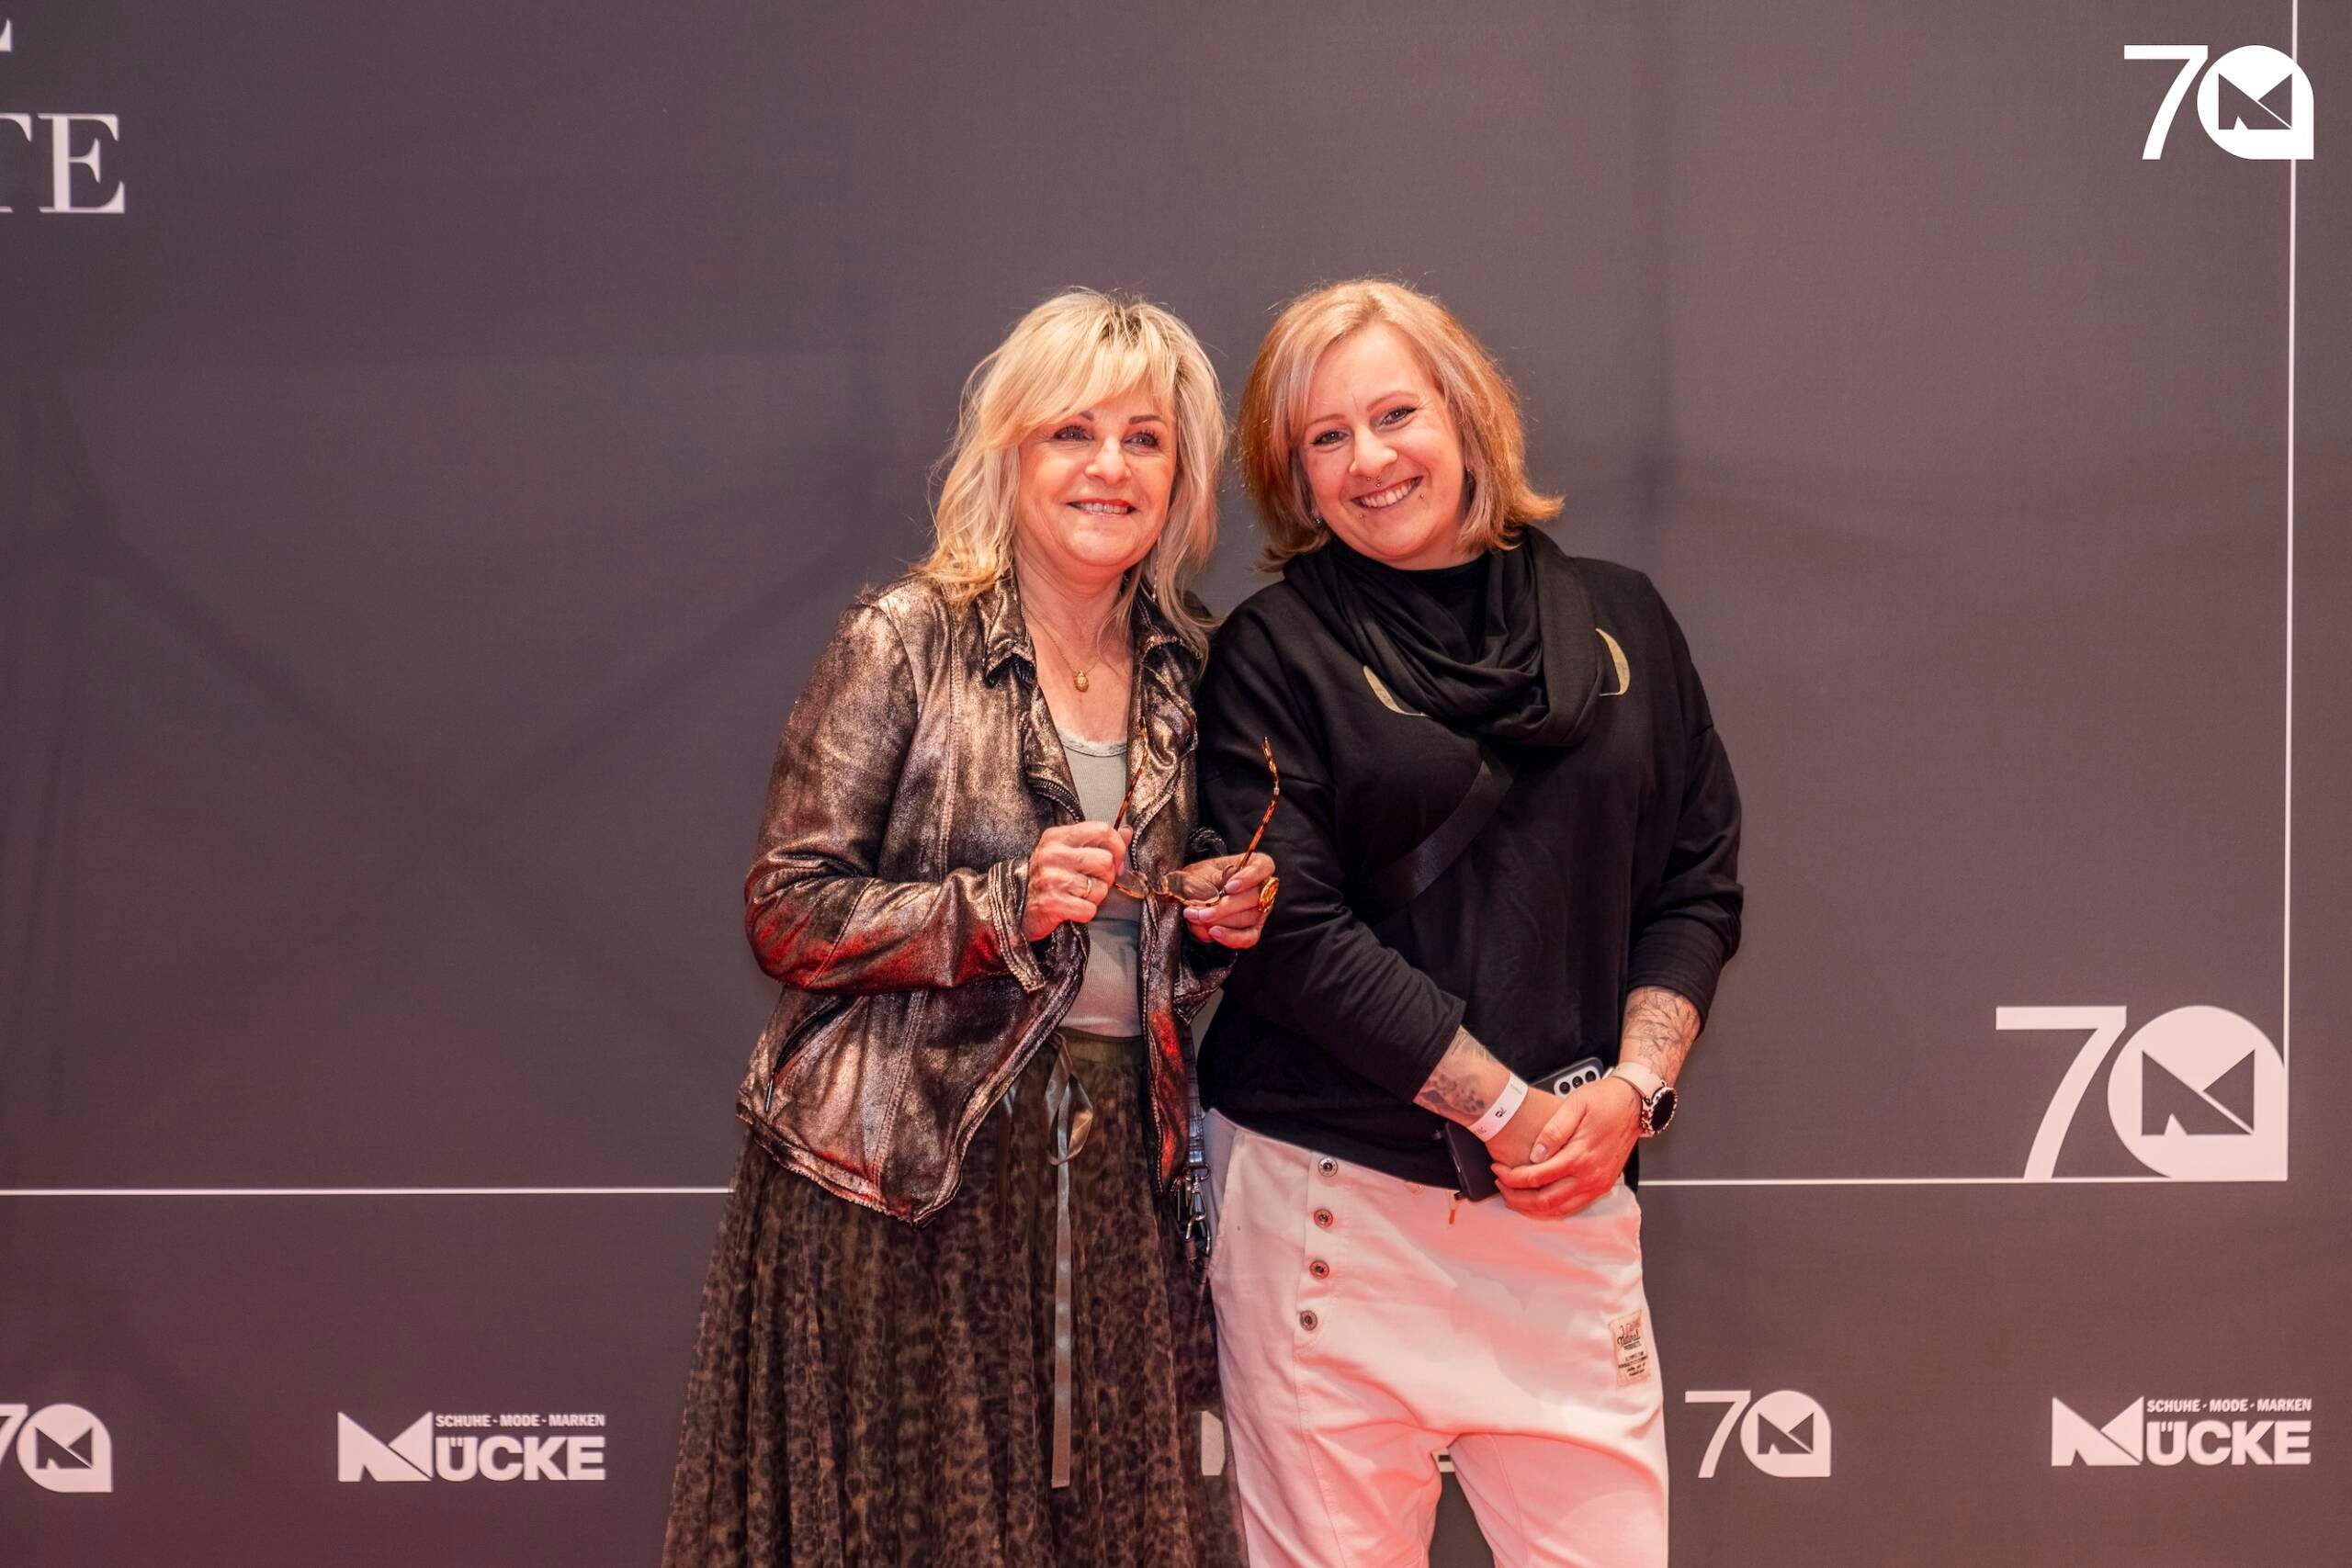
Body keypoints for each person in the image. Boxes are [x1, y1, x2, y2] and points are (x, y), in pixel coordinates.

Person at [662, 288, 1272, 1568]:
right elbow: (788, 909)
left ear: (1182, 476)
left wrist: (1213, 924)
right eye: (1073, 433)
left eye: (1145, 440)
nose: (1110, 467)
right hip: (905, 1182)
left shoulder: (1191, 664)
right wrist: (999, 906)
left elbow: (1143, 962)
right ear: (1011, 453)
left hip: (1110, 1178)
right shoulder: (907, 641)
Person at [1193, 278, 1743, 1568]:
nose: (1370, 459)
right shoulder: (1273, 651)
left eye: (1396, 415)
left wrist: (1633, 1094)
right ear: (1294, 476)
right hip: (1331, 1217)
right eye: (1326, 438)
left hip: (1567, 1204)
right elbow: (1290, 932)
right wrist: (1507, 1111)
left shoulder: (1625, 620)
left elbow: (1696, 880)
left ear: (1467, 416)